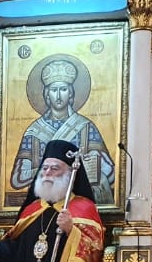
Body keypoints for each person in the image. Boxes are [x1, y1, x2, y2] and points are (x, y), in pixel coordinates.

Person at [10, 57, 115, 204]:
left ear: (70, 93)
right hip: (43, 204)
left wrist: (91, 167)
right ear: (47, 94)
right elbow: (17, 179)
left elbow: (111, 173)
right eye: (54, 90)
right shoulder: (33, 132)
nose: (58, 96)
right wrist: (51, 170)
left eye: (63, 89)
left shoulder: (86, 127)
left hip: (77, 204)